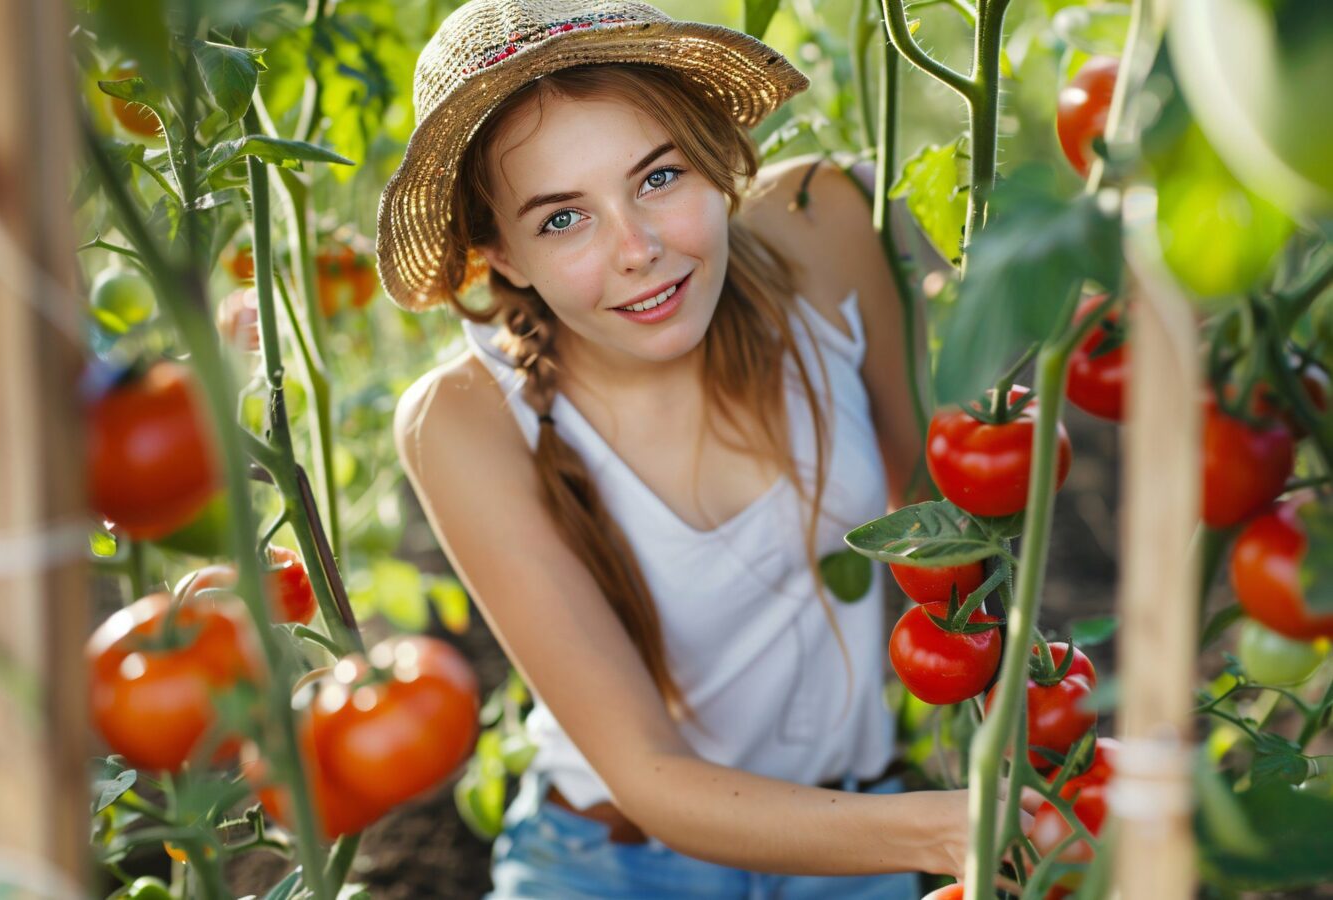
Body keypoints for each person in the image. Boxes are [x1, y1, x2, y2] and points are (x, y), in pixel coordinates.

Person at [377, 1, 1037, 896]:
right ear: (502, 254)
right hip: (614, 861)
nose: (639, 250)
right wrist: (948, 829)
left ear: (715, 154)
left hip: (852, 834)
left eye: (657, 177)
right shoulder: (463, 418)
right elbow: (648, 776)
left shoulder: (826, 226)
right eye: (564, 219)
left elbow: (942, 516)